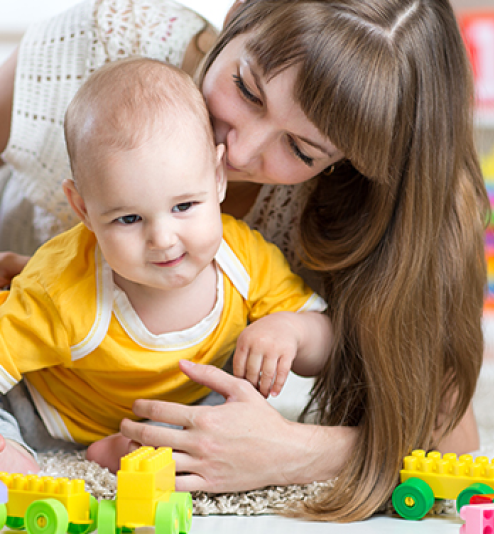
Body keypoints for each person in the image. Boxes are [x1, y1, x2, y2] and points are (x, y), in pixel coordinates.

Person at [0, 0, 489, 522]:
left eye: (301, 150)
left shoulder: (350, 217)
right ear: (238, 15)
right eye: (246, 88)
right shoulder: (100, 46)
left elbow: (449, 449)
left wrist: (293, 451)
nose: (237, 150)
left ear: (353, 164)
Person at [0, 56, 332, 475]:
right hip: (49, 413)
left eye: (184, 206)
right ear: (83, 209)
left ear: (217, 178)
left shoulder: (246, 260)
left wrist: (292, 330)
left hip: (175, 409)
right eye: (128, 219)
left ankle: (131, 445)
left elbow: (326, 343)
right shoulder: (61, 284)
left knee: (221, 406)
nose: (162, 239)